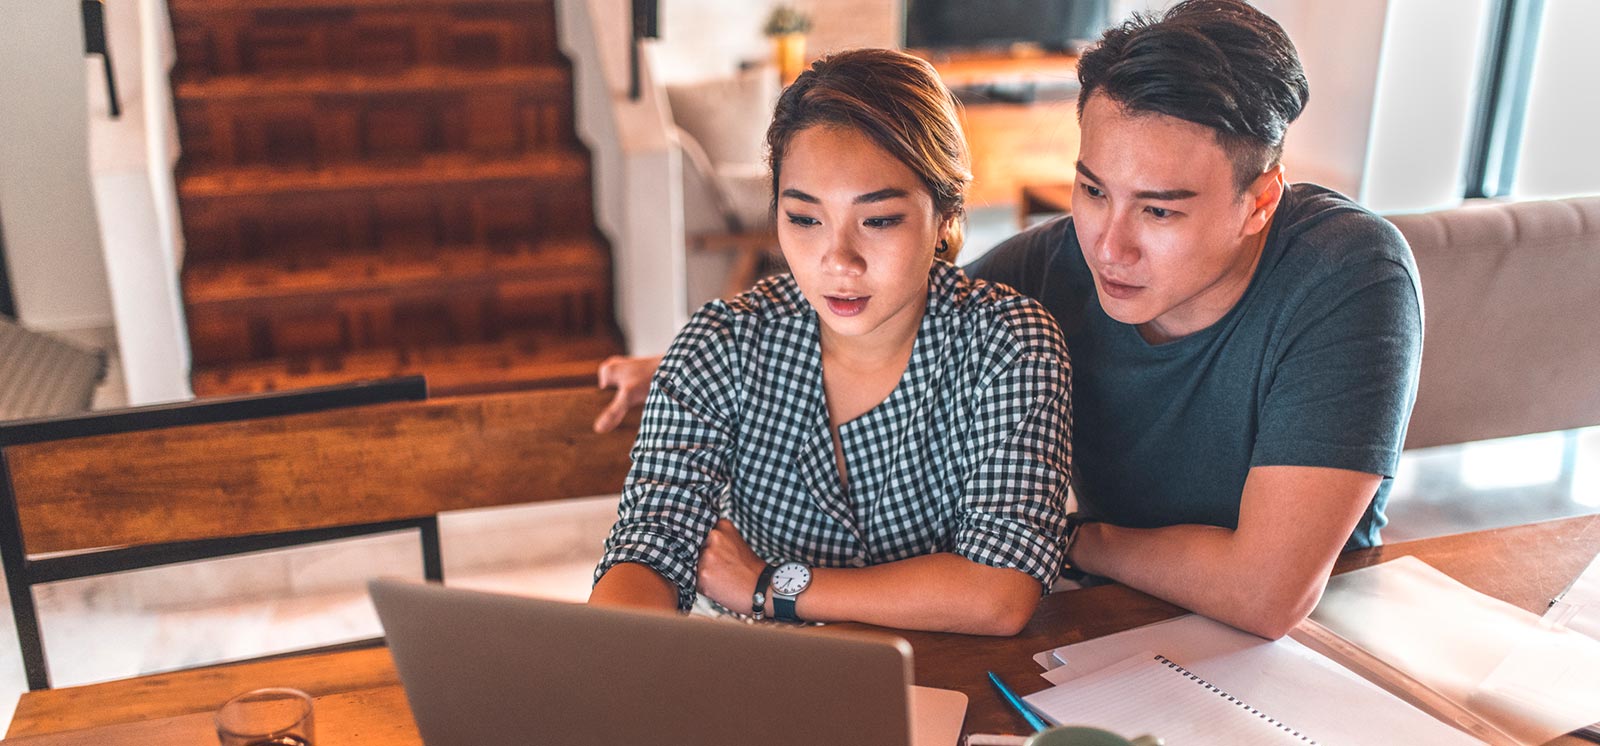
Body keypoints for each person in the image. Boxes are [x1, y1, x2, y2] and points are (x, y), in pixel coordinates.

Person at [593, 0, 1423, 641]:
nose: (1109, 244)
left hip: (1303, 649)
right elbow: (882, 308)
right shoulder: (1052, 267)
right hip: (1102, 629)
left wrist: (1064, 541)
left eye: (1160, 212)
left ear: (1258, 203)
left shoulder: (1346, 274)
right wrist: (681, 362)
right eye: (1092, 189)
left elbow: (1266, 593)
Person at [587, 49, 1072, 636]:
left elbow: (999, 591)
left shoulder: (1009, 345)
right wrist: (608, 659)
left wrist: (770, 587)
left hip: (954, 681)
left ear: (945, 214)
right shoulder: (721, 346)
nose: (837, 261)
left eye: (880, 219)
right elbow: (651, 545)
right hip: (770, 684)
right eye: (805, 219)